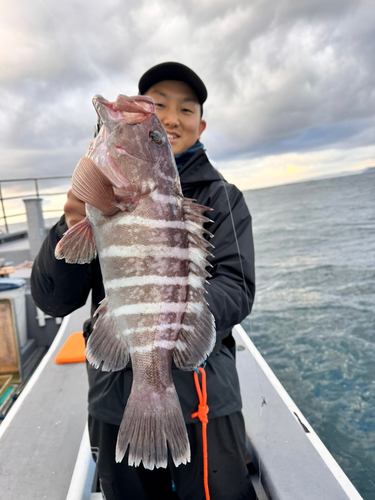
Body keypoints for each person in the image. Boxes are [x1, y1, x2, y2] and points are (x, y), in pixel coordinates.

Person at [31, 62, 256, 500]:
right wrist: (71, 222)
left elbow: (239, 288)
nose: (170, 119)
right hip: (116, 401)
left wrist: (177, 315)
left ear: (201, 124)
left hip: (207, 399)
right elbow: (53, 299)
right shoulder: (101, 198)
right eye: (158, 107)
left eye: (185, 109)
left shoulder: (223, 197)